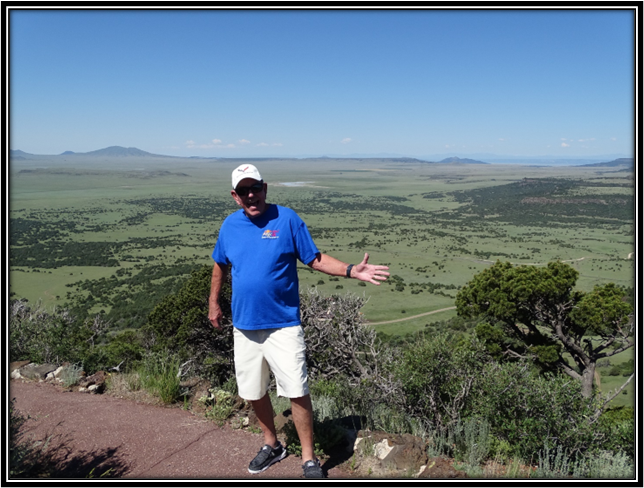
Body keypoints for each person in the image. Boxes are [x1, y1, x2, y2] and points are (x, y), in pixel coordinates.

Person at [208, 164, 389, 478]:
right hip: (245, 325)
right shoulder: (229, 227)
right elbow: (220, 265)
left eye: (256, 188)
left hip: (283, 324)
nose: (252, 195)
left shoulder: (287, 219)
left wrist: (350, 270)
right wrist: (213, 302)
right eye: (244, 191)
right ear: (235, 196)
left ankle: (308, 459)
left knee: (296, 390)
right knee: (253, 391)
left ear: (265, 188)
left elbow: (314, 258)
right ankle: (272, 444)